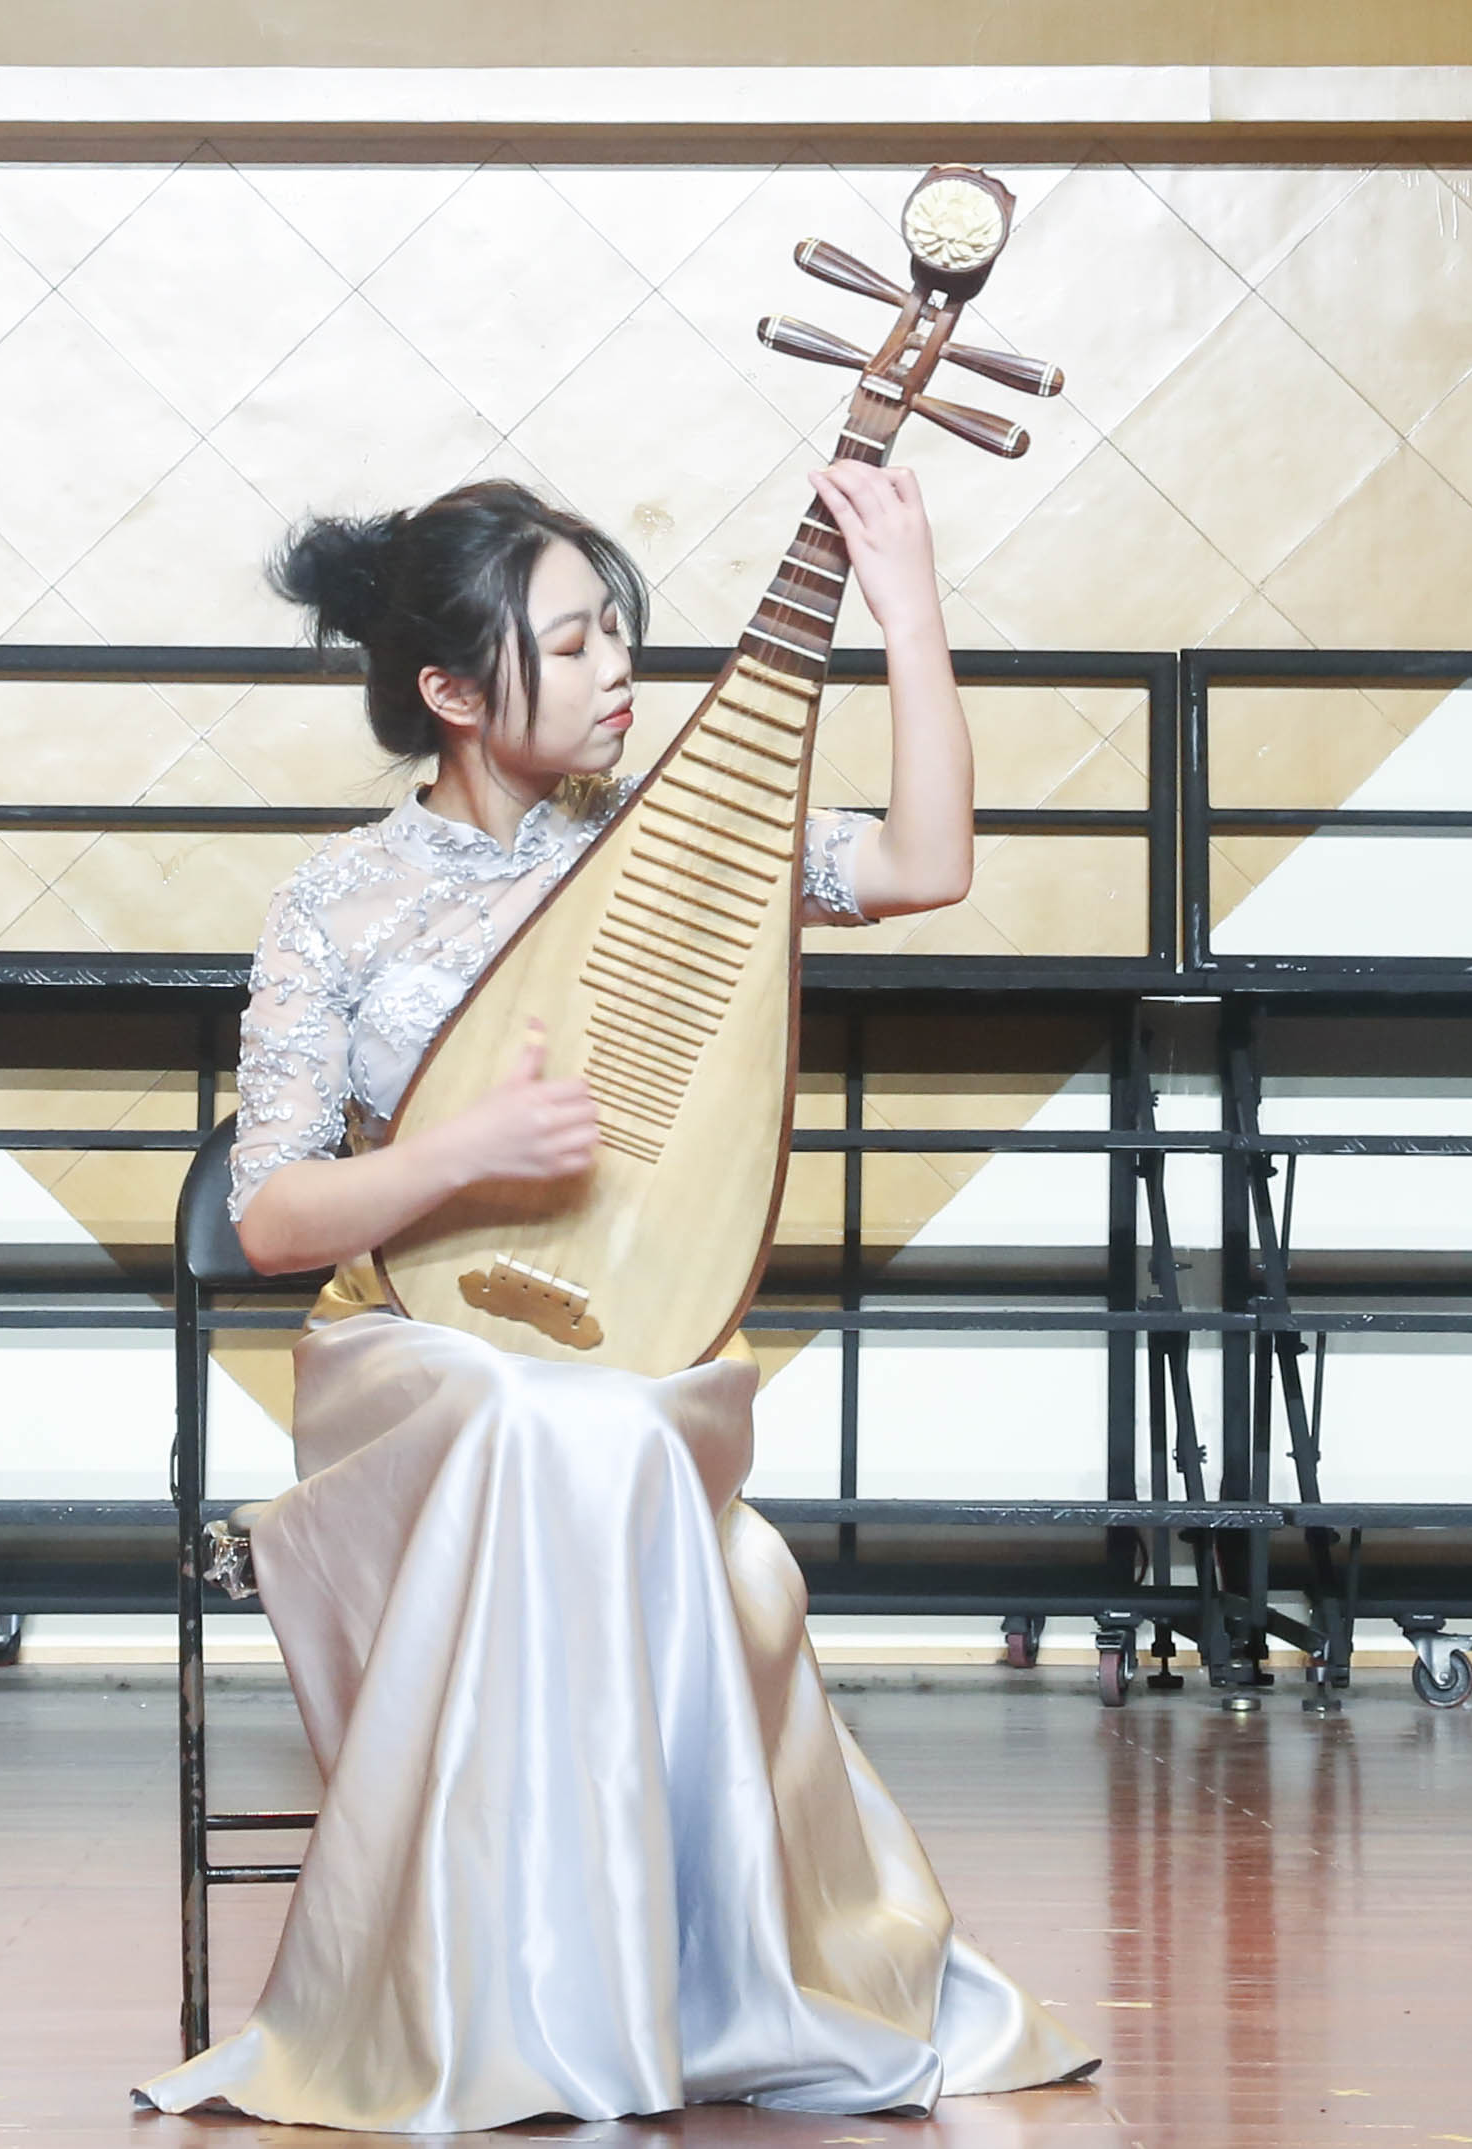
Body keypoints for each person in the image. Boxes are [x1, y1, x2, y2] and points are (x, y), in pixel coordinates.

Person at [136, 472, 1094, 2131]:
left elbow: (925, 862)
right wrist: (463, 1153)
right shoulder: (336, 901)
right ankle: (520, 2001)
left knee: (608, 1423)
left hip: (637, 1344)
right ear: (452, 690)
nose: (618, 671)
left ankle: (643, 1988)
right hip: (406, 1361)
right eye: (571, 643)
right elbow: (273, 1213)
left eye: (616, 634)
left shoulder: (681, 847)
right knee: (527, 1412)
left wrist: (909, 602)